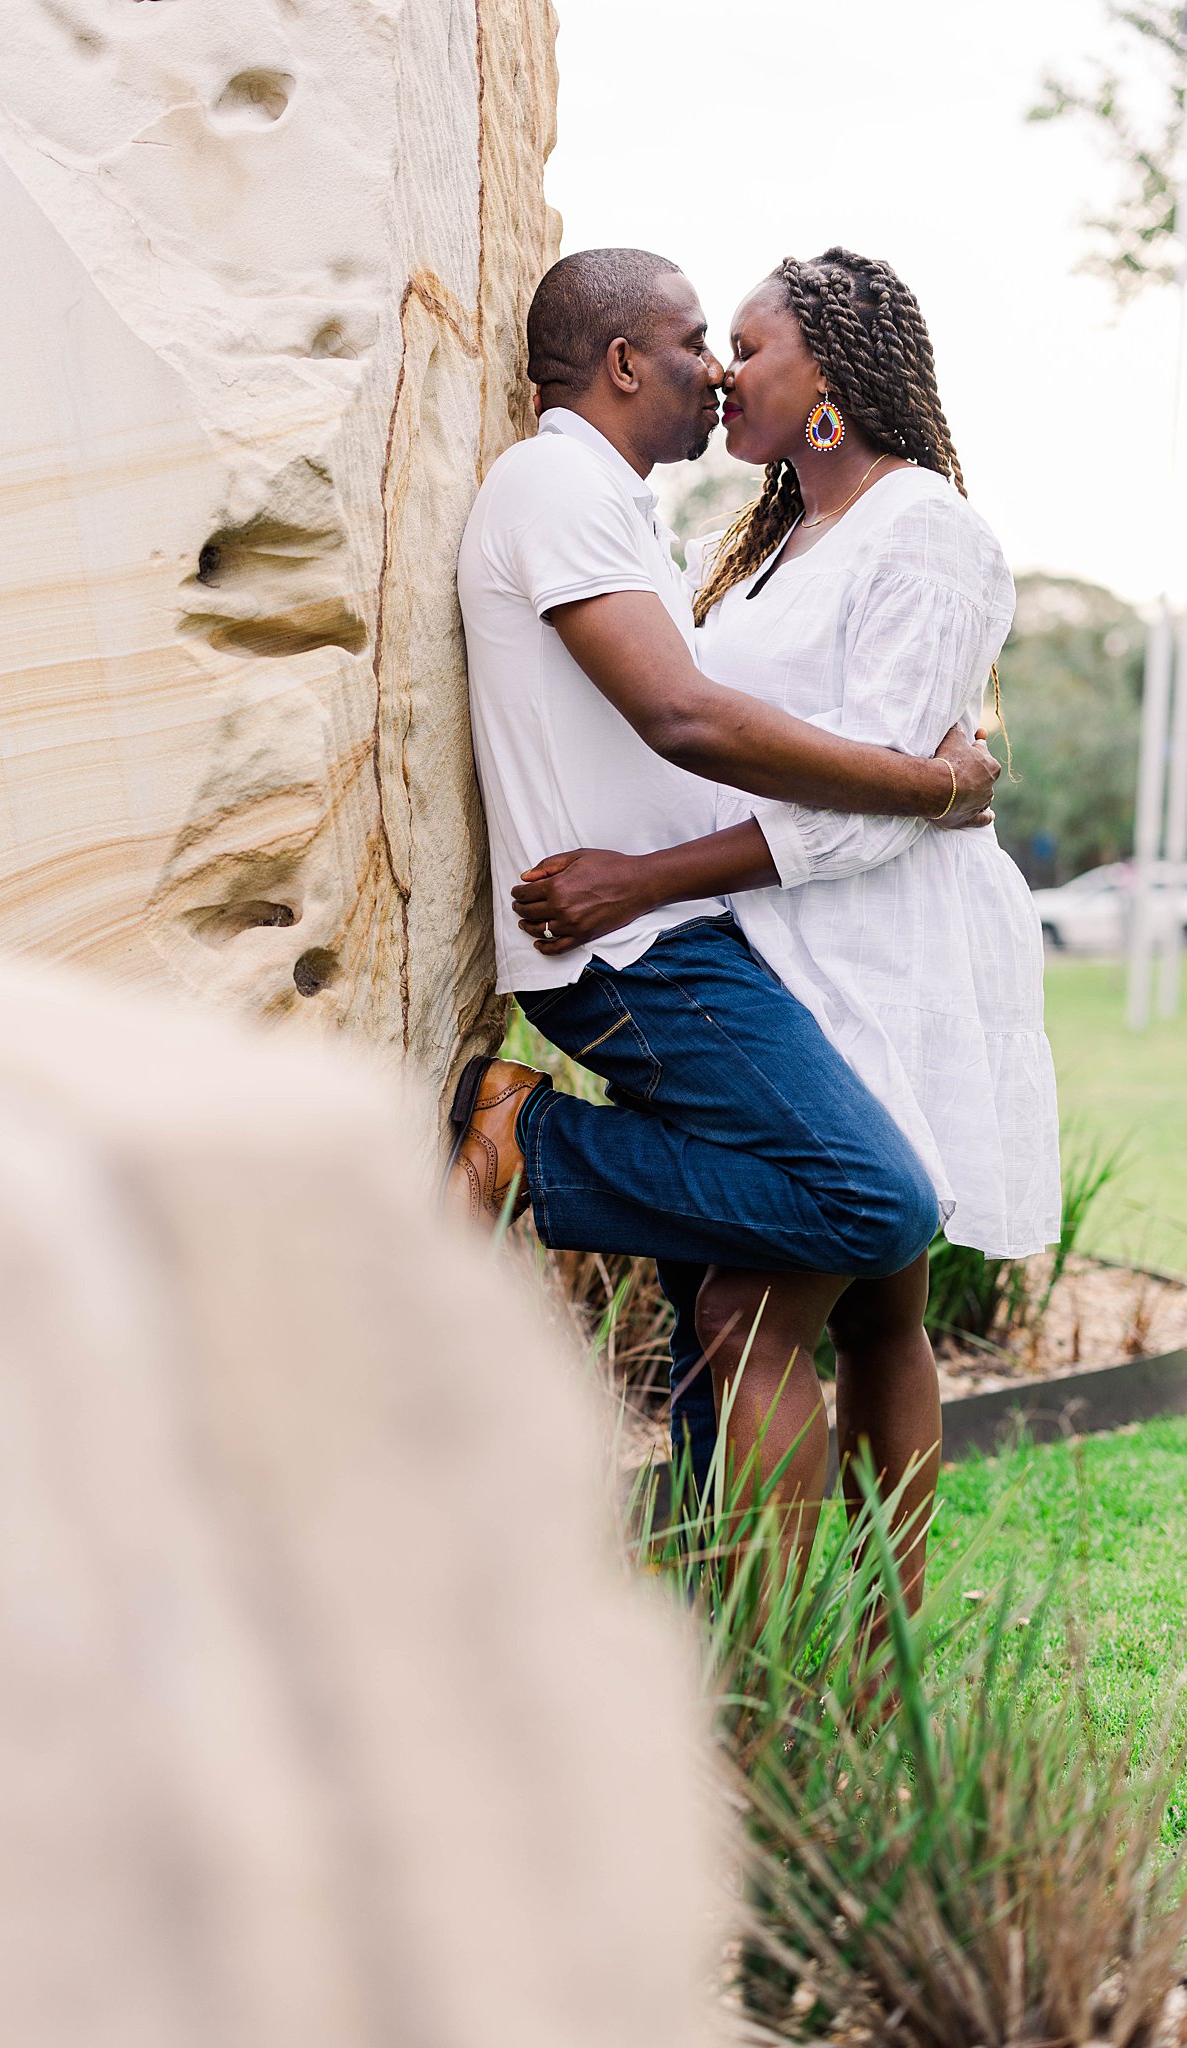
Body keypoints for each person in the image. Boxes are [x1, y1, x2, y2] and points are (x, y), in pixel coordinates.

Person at [510, 248, 1061, 1595]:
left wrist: (643, 879)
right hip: (787, 935)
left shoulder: (923, 528)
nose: (719, 373)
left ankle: (808, 1673)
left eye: (744, 346)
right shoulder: (768, 540)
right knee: (864, 1305)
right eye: (709, 345)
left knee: (760, 1307)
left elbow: (875, 811)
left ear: (826, 380)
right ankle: (856, 1677)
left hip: (885, 946)